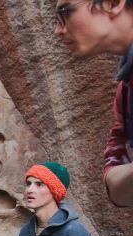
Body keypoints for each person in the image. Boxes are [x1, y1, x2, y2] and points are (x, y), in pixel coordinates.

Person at [54, 0, 133, 205]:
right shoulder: (126, 91)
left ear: (113, 3)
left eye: (65, 12)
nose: (58, 30)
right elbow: (115, 187)